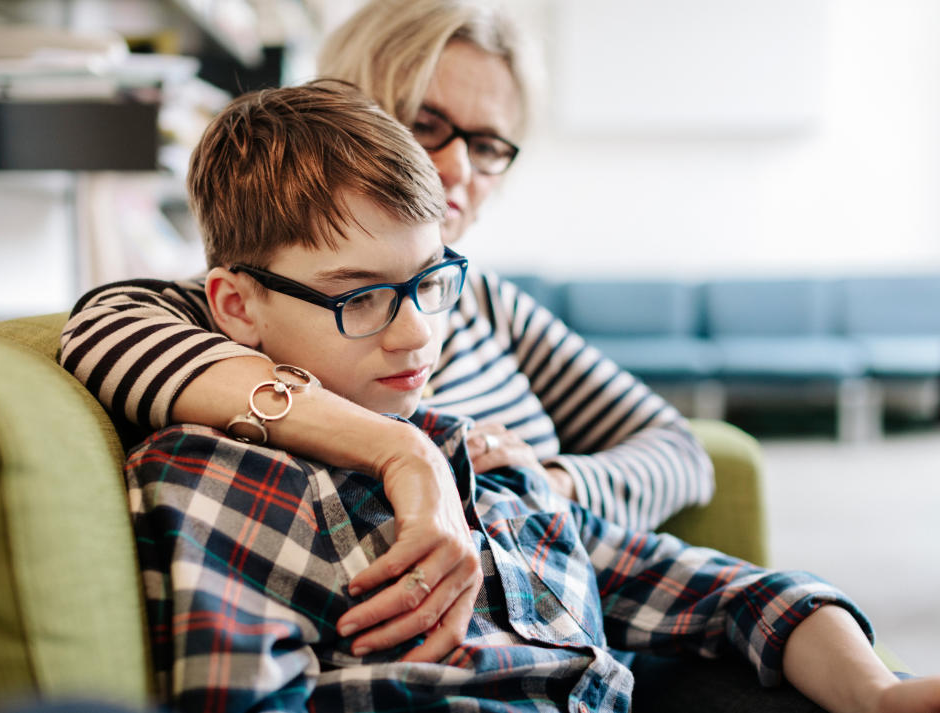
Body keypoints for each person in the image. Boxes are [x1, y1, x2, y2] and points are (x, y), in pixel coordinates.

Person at [125, 81, 940, 713]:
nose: (415, 336)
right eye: (359, 297)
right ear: (236, 306)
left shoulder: (475, 456)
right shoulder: (224, 480)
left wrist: (878, 691)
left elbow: (729, 592)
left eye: (430, 283)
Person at [60, 0, 713, 663]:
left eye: (487, 145)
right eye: (428, 124)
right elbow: (102, 331)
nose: (457, 168)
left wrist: (548, 482)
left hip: (596, 623)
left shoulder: (488, 300)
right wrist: (408, 452)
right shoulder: (260, 303)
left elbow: (679, 450)